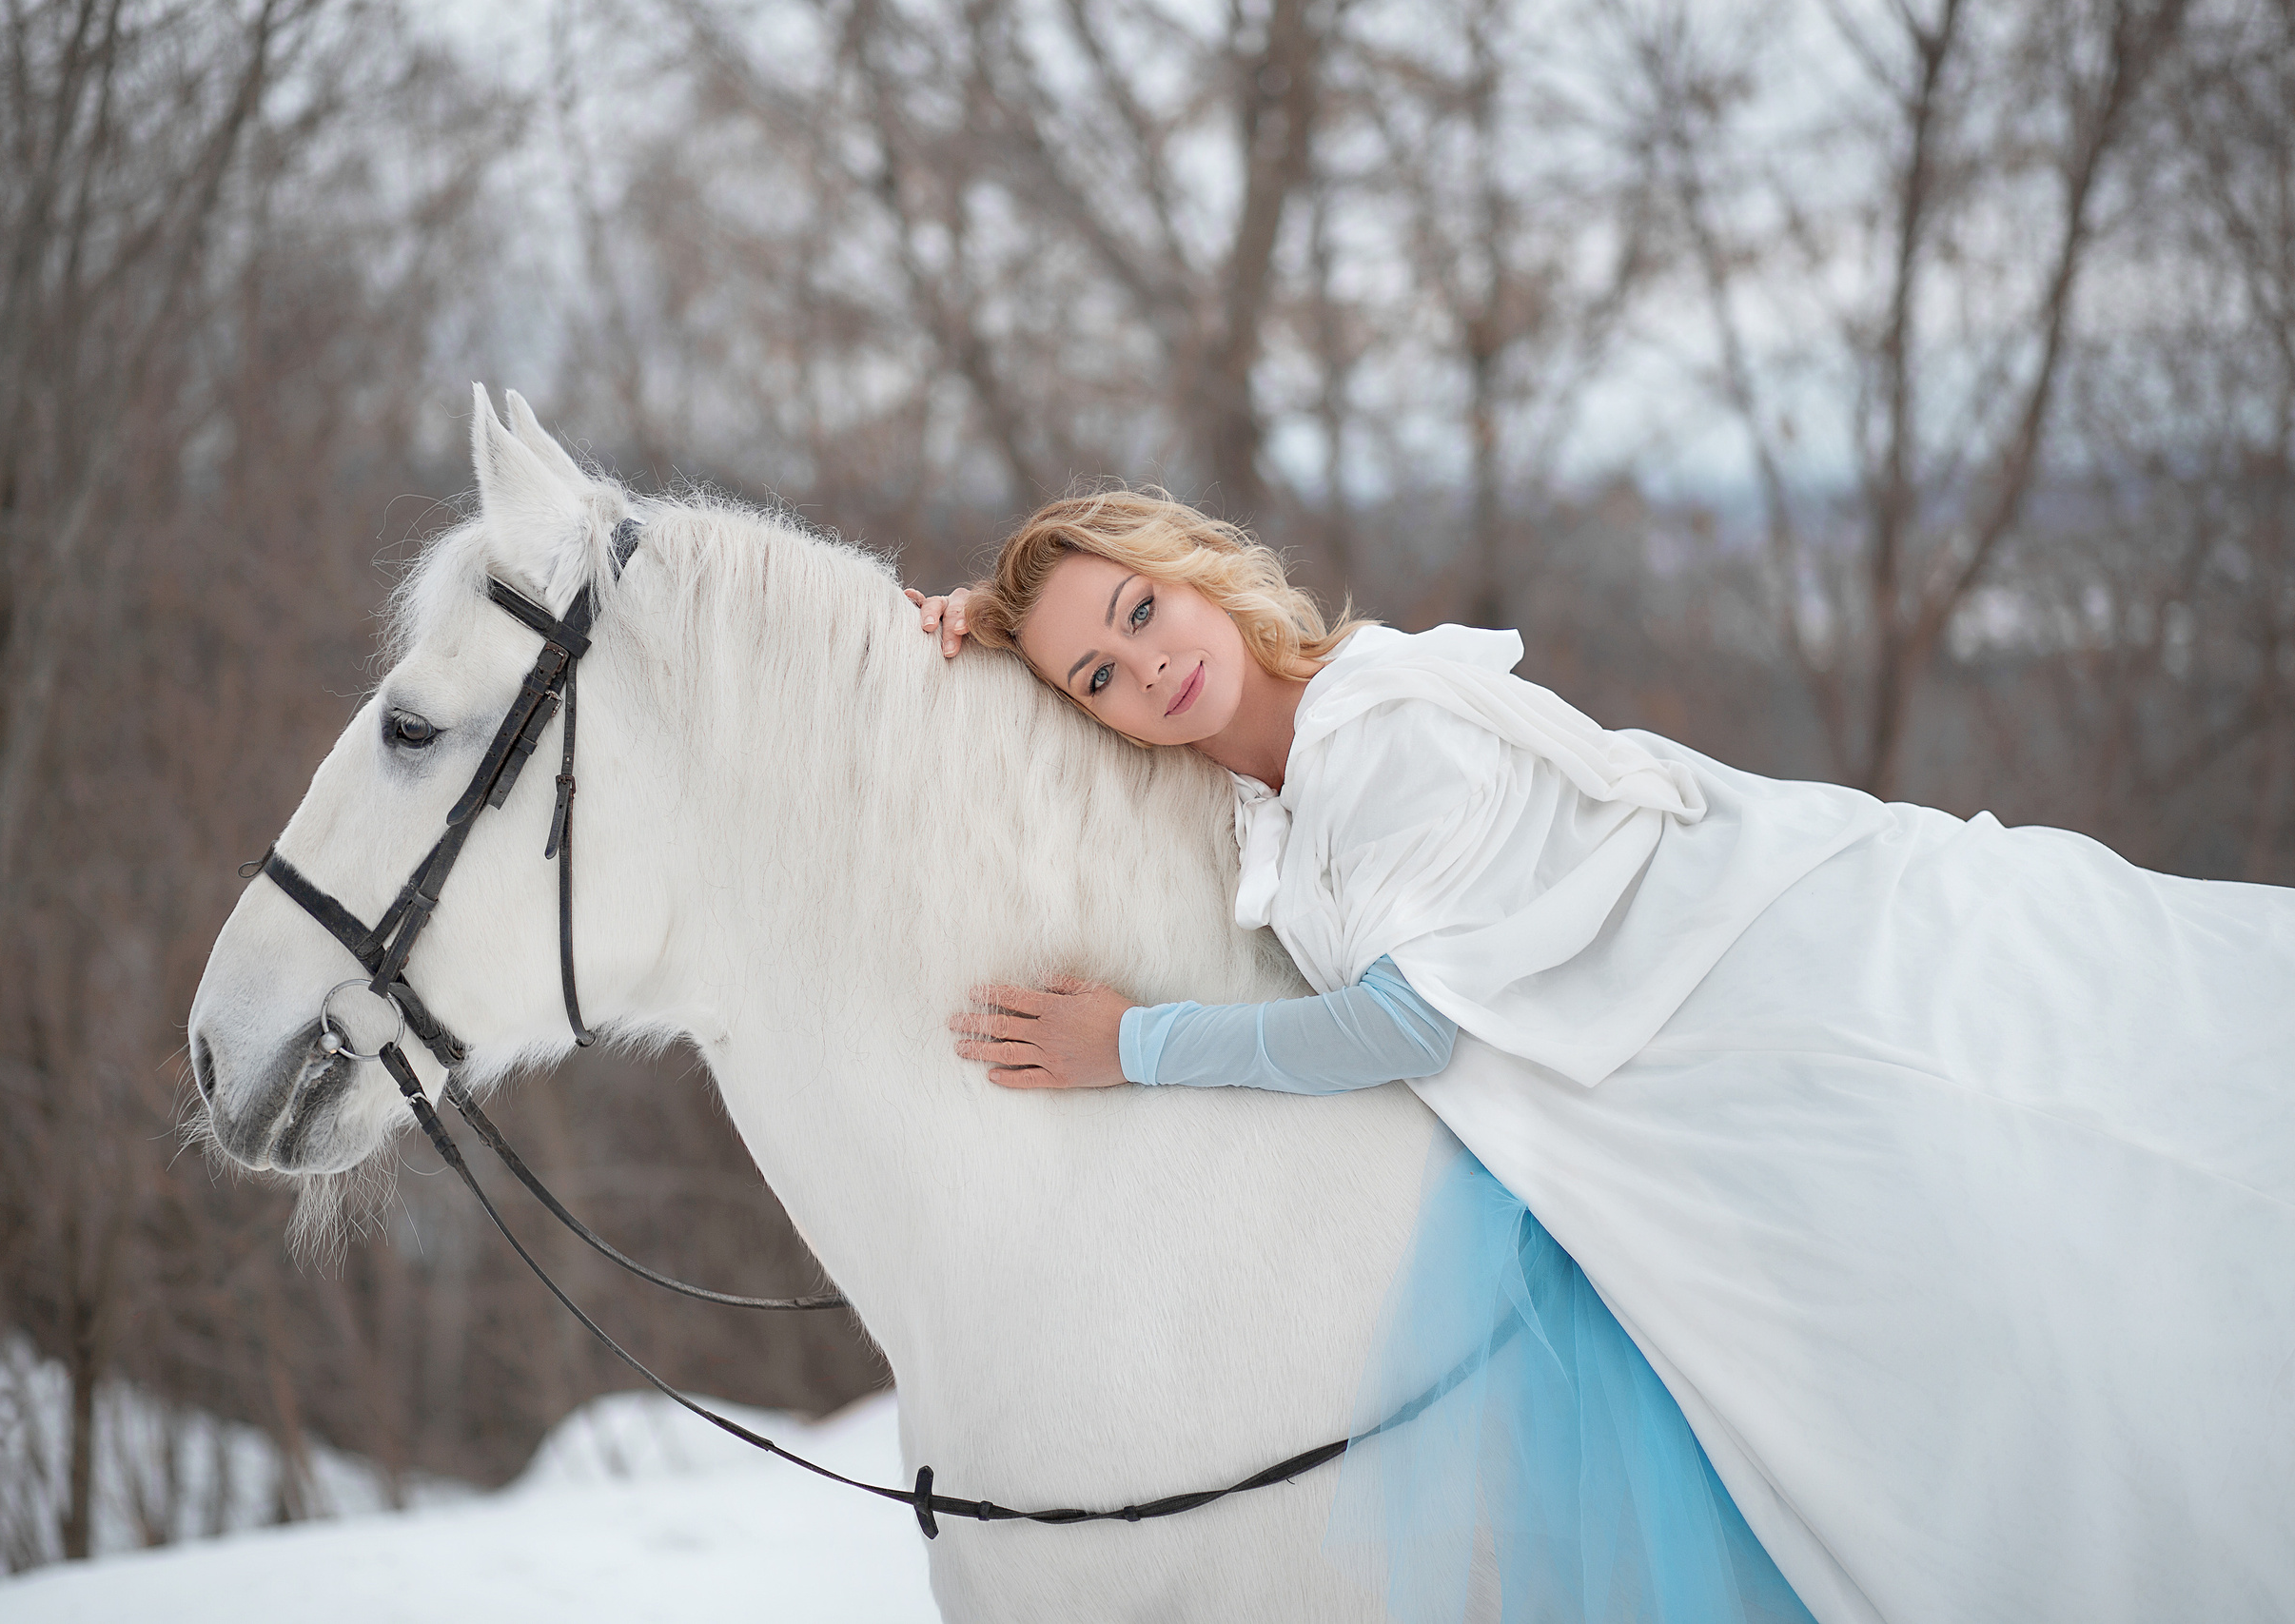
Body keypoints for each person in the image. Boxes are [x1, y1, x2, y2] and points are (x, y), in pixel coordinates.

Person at [904, 490, 2295, 1624]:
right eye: (1101, 673)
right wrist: (980, 631)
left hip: (1743, 988)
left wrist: (1132, 1046)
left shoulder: (1383, 733)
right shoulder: (1264, 787)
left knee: (1970, 1295)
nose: (1148, 665)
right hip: (1632, 1057)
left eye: (1144, 609)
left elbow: (1410, 1023)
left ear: (1200, 569)